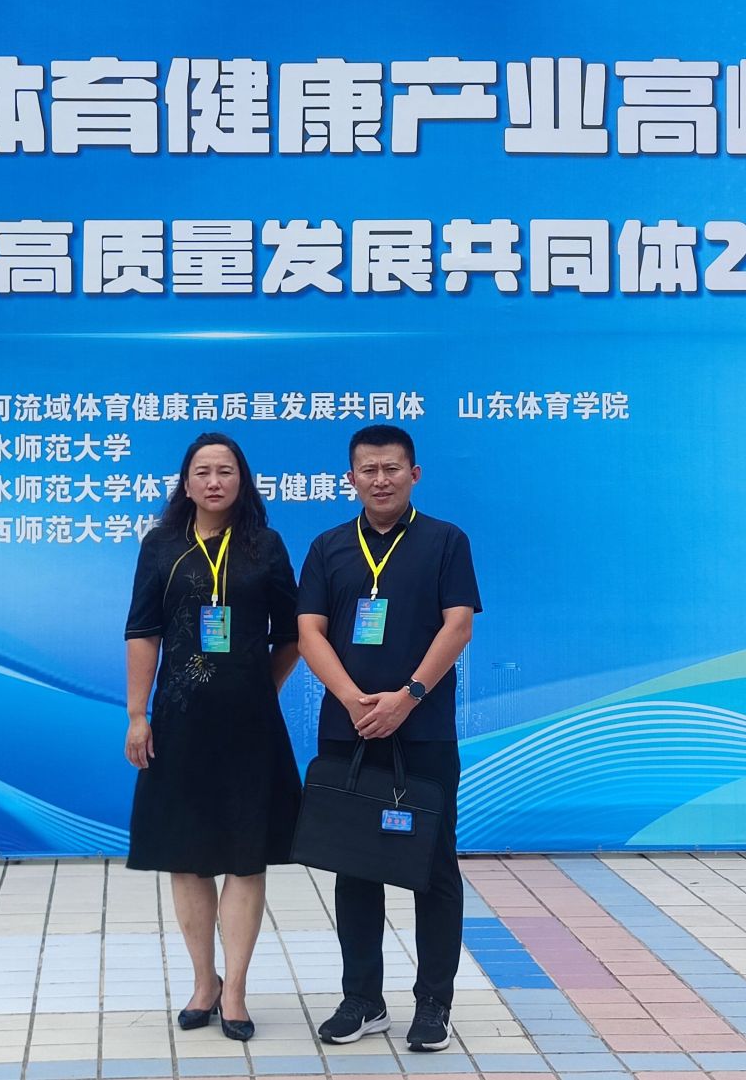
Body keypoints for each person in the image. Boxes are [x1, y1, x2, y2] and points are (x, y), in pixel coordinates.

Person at [297, 424, 479, 1053]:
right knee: (355, 864)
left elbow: (458, 626)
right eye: (368, 470)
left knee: (434, 866)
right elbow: (309, 632)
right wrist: (353, 700)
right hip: (348, 731)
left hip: (422, 730)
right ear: (351, 479)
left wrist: (409, 696)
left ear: (414, 474)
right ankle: (362, 1000)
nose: (381, 480)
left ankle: (434, 1003)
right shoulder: (328, 547)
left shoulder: (446, 541)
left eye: (392, 468)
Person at [123, 432, 301, 1043]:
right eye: (203, 471)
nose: (214, 481)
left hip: (251, 727)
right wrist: (137, 714)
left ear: (242, 480)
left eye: (226, 470)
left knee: (246, 859)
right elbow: (143, 630)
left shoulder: (264, 545)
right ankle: (205, 982)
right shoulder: (161, 544)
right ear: (186, 482)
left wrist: (261, 685)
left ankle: (238, 990)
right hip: (179, 724)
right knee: (187, 856)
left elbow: (294, 633)